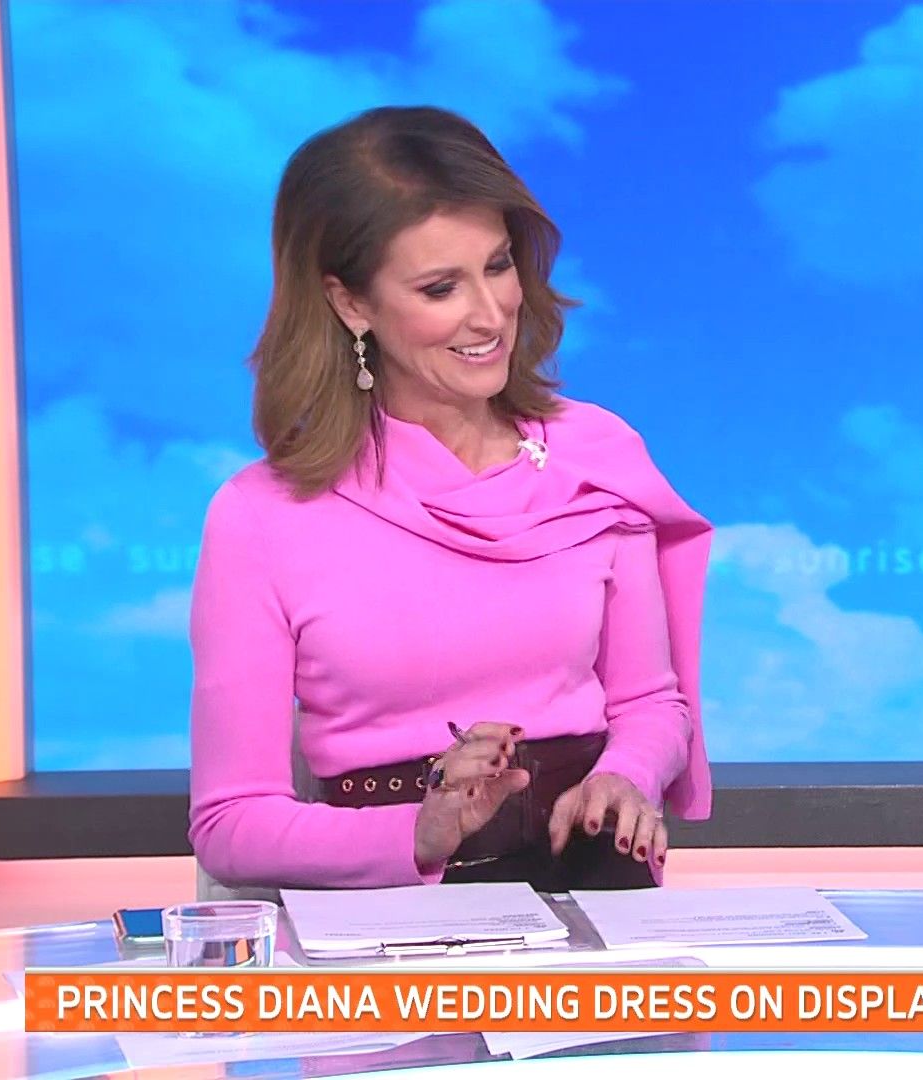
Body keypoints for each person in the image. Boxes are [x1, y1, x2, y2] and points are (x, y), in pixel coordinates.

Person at [188, 106, 712, 893]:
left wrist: (626, 776)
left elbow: (650, 704)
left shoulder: (597, 457)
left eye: (498, 266)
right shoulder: (261, 516)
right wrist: (420, 831)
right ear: (351, 303)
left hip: (599, 897)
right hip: (397, 919)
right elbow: (231, 825)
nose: (491, 314)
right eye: (440, 287)